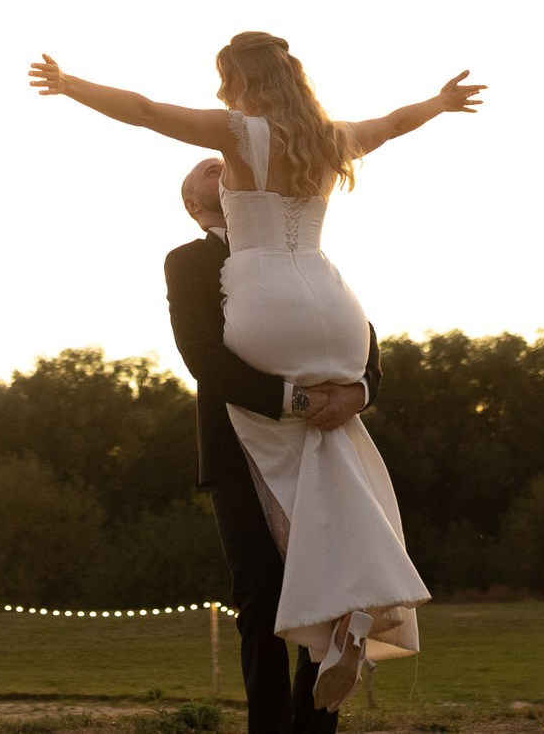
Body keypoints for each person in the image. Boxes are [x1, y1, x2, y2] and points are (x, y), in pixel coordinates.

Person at [32, 32, 483, 708]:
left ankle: (339, 622)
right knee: (331, 472)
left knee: (302, 463)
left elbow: (146, 109)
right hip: (332, 305)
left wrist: (70, 85)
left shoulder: (239, 136)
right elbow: (391, 124)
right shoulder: (328, 140)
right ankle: (351, 615)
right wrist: (440, 103)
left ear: (236, 80)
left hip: (272, 309)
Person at [168, 155, 382, 734]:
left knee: (331, 593)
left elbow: (359, 334)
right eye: (211, 168)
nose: (228, 166)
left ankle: (316, 728)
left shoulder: (298, 254)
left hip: (324, 448)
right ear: (194, 204)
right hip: (239, 455)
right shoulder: (189, 262)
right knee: (261, 601)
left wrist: (358, 392)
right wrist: (300, 402)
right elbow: (204, 360)